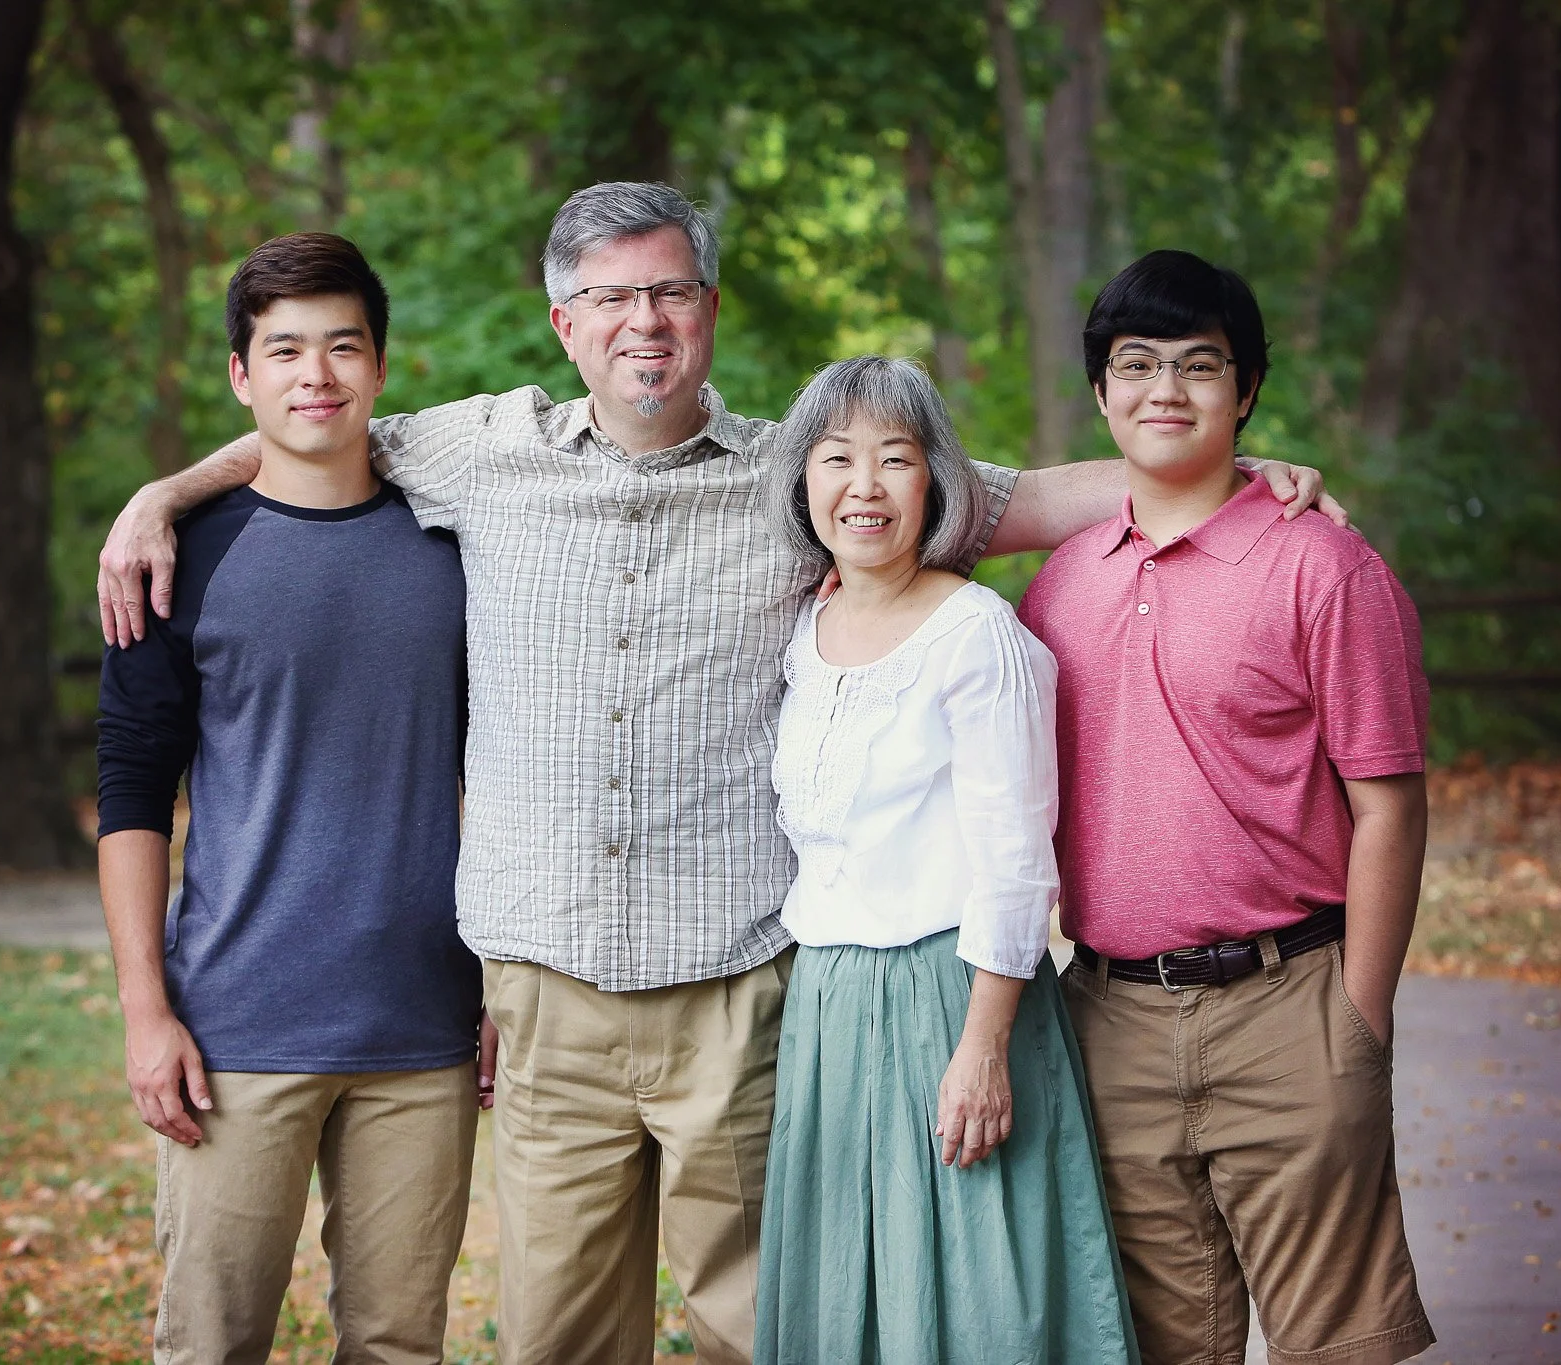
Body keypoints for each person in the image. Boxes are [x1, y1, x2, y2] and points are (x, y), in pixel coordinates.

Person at [97, 183, 1338, 1365]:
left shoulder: (806, 476)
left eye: (672, 292)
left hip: (735, 990)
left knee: (761, 1326)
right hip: (546, 999)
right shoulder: (478, 453)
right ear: (563, 324)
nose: (645, 322)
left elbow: (1018, 498)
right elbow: (308, 424)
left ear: (708, 311)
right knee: (556, 1337)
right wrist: (163, 495)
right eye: (612, 298)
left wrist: (1223, 474)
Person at [1019, 249, 1435, 1365]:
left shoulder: (1323, 570)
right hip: (1108, 1022)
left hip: (1289, 1006)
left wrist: (1359, 1020)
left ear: (1243, 391)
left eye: (1198, 366)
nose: (1165, 390)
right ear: (1100, 391)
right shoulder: (1059, 581)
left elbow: (1390, 807)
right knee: (1156, 1345)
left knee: (1336, 1347)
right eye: (1135, 364)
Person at [94, 232, 481, 1365]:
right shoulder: (176, 557)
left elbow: (497, 775)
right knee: (211, 1345)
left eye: (341, 347)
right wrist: (143, 1011)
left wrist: (499, 975)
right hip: (235, 1026)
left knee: (398, 1344)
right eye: (284, 350)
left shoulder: (453, 547)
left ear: (380, 366)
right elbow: (129, 798)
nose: (315, 375)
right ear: (240, 375)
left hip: (424, 1026)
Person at [753, 356, 1137, 1364]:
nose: (863, 487)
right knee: (851, 1297)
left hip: (952, 996)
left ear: (937, 484)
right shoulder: (802, 626)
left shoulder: (977, 635)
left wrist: (982, 1048)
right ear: (804, 481)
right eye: (836, 460)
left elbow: (1015, 863)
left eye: (894, 459)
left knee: (979, 1297)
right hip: (829, 1006)